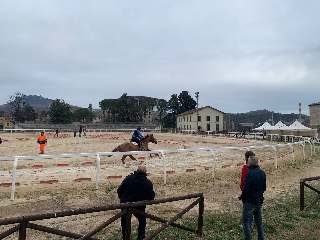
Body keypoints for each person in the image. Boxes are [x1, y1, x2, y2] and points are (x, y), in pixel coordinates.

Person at [117, 164, 155, 240]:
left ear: (137, 170)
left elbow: (119, 190)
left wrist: (122, 199)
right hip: (139, 206)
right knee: (142, 220)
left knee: (124, 222)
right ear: (146, 172)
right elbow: (151, 197)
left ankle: (125, 238)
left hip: (125, 204)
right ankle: (141, 237)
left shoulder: (128, 178)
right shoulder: (148, 183)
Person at [241, 155, 266, 240]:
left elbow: (245, 189)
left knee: (246, 223)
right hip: (259, 200)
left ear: (250, 163)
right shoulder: (262, 172)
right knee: (259, 222)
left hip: (250, 201)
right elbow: (264, 188)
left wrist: (243, 199)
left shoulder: (249, 174)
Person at [240, 151, 255, 228]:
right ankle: (254, 223)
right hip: (256, 191)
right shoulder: (257, 167)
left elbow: (243, 181)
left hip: (248, 191)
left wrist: (242, 189)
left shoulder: (245, 168)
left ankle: (248, 225)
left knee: (247, 209)